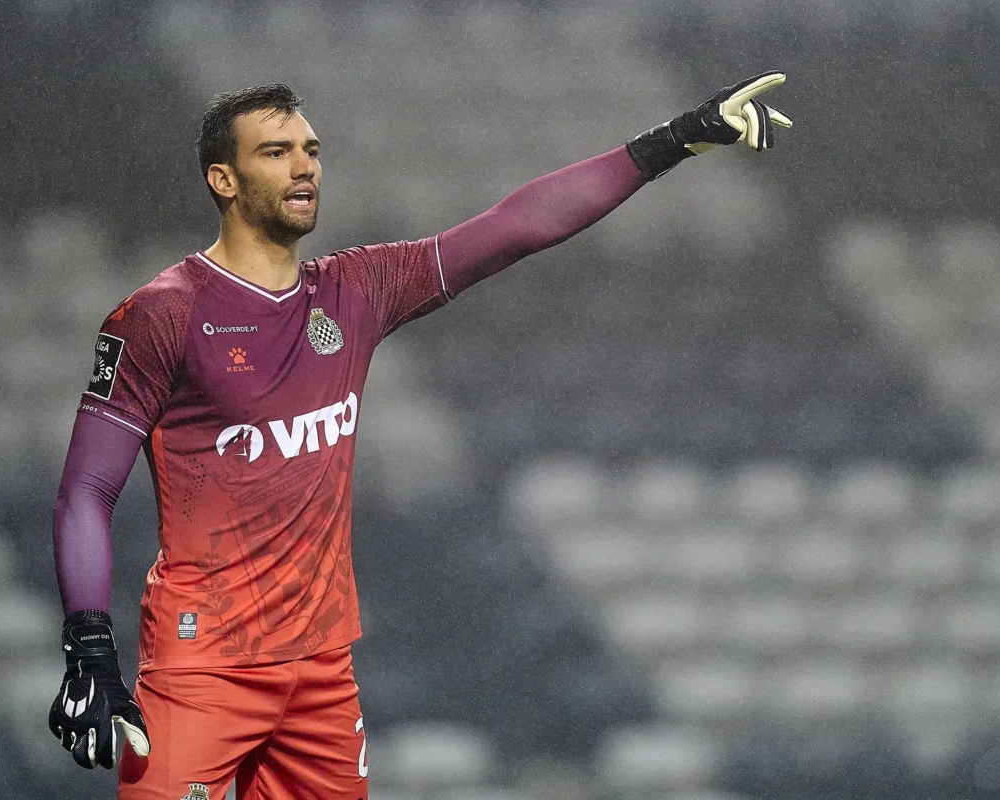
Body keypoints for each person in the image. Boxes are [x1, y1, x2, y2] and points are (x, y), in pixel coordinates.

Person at [47, 73, 792, 799]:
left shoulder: (356, 290)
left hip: (320, 674)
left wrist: (679, 139)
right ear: (224, 180)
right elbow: (86, 488)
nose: (305, 164)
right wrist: (89, 649)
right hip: (204, 668)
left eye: (311, 148)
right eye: (276, 152)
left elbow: (515, 227)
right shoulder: (161, 315)